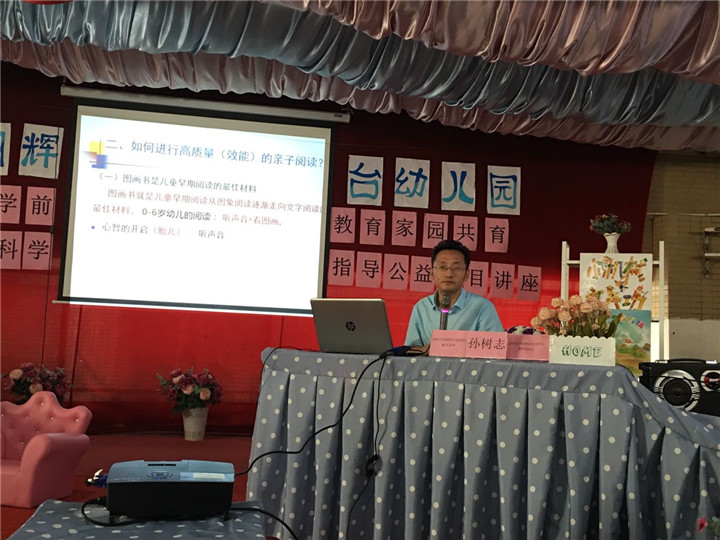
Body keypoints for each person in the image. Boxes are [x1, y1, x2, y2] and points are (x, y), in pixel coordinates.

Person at [405, 239, 503, 348]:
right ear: (432, 273)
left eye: (456, 267)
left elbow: (495, 349)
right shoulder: (421, 308)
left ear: (466, 275)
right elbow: (410, 351)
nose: (449, 274)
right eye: (442, 267)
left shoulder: (482, 307)